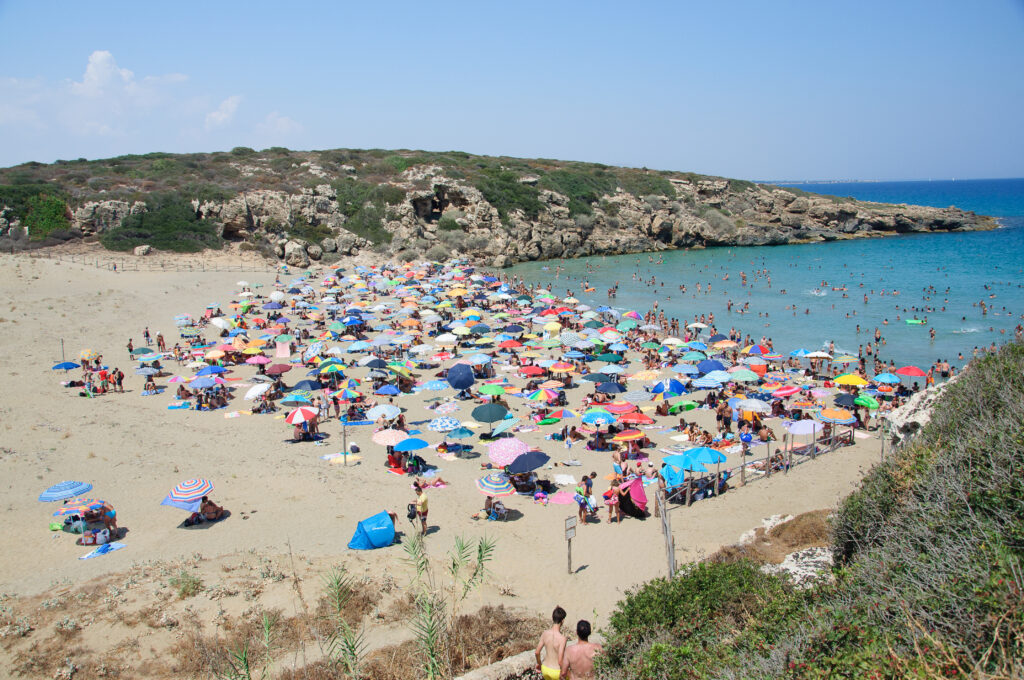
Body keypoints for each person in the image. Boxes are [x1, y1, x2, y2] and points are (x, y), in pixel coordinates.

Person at [535, 605, 568, 680]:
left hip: (545, 669)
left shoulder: (545, 633)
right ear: (563, 621)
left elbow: (537, 652)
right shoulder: (562, 639)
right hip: (556, 672)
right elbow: (560, 661)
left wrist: (539, 664)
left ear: (552, 618)